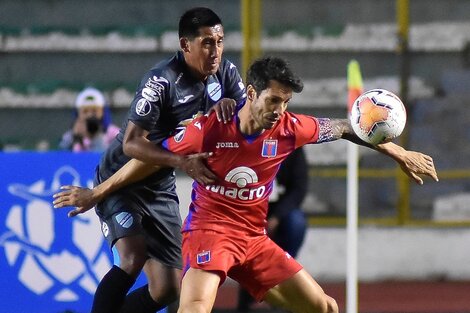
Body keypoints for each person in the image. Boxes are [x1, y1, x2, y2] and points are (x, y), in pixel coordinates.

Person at [54, 56, 438, 313]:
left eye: (286, 102)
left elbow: (347, 127)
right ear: (251, 94)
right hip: (209, 235)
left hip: (254, 240)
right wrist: (97, 193)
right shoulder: (208, 129)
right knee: (193, 309)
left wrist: (398, 153)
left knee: (325, 307)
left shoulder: (291, 128)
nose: (280, 111)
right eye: (273, 100)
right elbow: (143, 159)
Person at [55, 7, 246, 313]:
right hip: (122, 177)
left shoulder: (226, 75)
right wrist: (182, 162)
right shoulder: (161, 81)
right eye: (207, 42)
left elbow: (247, 119)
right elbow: (131, 144)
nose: (216, 51)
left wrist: (233, 108)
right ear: (185, 45)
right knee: (132, 257)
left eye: (220, 41)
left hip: (160, 184)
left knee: (168, 288)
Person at [237, 147, 308, 312]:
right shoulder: (245, 142)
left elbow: (299, 188)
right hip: (249, 207)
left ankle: (285, 272)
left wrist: (277, 216)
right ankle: (250, 291)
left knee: (296, 223)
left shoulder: (293, 145)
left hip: (279, 210)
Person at [59, 87, 120, 152]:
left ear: (103, 112)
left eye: (94, 111)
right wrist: (75, 137)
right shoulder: (71, 134)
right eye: (85, 111)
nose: (90, 115)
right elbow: (62, 152)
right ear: (78, 113)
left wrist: (96, 136)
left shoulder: (114, 133)